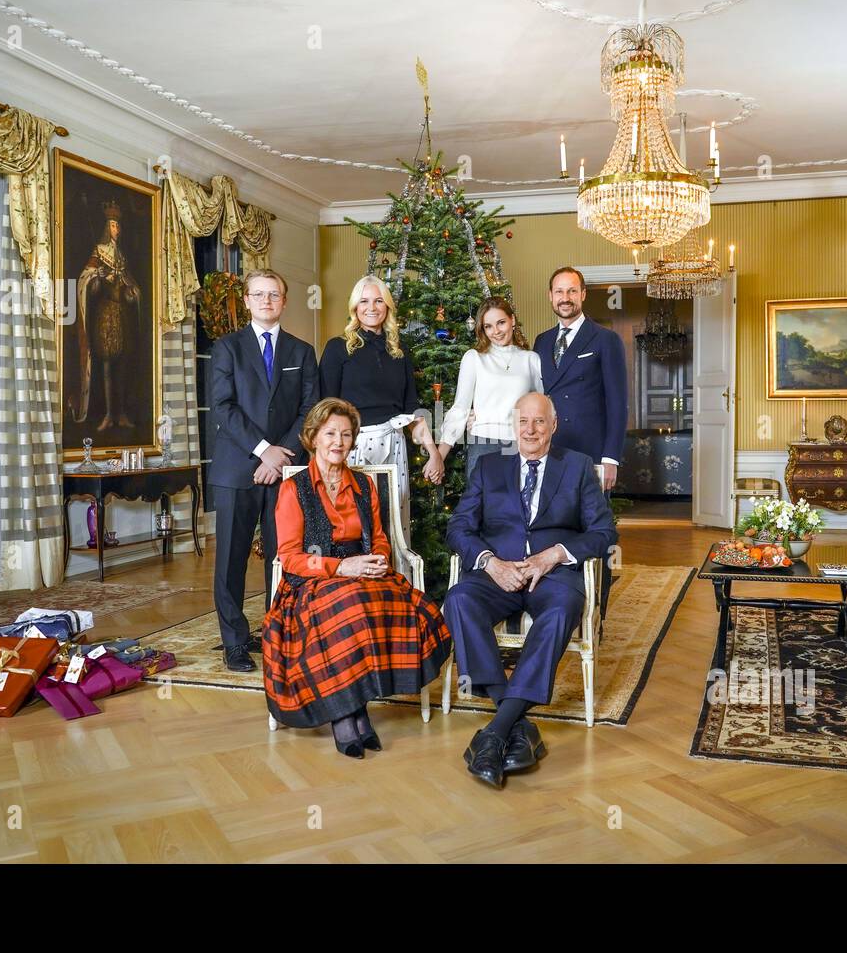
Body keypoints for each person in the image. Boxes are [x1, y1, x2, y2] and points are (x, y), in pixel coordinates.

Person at [262, 398, 453, 758]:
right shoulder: (294, 489)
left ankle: (352, 710)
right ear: (314, 437)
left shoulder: (364, 486)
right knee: (347, 606)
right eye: (330, 433)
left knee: (403, 606)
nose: (339, 441)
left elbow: (379, 537)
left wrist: (378, 559)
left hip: (362, 570)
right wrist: (339, 568)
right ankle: (350, 717)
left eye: (346, 434)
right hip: (312, 580)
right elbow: (290, 558)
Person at [443, 392, 616, 788]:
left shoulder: (576, 467)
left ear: (553, 426)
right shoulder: (489, 468)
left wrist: (554, 554)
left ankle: (495, 734)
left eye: (540, 422)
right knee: (459, 599)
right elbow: (459, 528)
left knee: (560, 610)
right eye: (524, 421)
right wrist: (490, 562)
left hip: (551, 575)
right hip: (497, 573)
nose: (531, 429)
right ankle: (515, 725)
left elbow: (604, 532)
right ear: (513, 425)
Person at [207, 269, 318, 673]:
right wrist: (263, 451)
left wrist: (282, 455)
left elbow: (310, 410)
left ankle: (278, 631)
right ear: (248, 300)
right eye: (258, 294)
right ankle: (235, 642)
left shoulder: (302, 352)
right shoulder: (227, 348)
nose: (266, 300)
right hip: (238, 467)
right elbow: (223, 408)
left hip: (287, 470)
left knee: (283, 555)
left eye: (274, 294)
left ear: (284, 301)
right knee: (231, 560)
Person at [319, 275, 444, 539]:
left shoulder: (399, 350)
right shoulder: (338, 348)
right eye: (364, 301)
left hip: (394, 446)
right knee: (352, 524)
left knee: (392, 523)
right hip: (351, 447)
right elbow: (326, 410)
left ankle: (393, 578)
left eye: (378, 300)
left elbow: (412, 410)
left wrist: (433, 453)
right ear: (355, 307)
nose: (371, 307)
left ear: (387, 306)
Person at [532, 267, 628, 491]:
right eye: (559, 292)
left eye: (572, 291)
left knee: (591, 521)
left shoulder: (606, 339)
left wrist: (611, 458)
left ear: (583, 294)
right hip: (548, 447)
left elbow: (618, 404)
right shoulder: (542, 341)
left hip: (590, 451)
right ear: (551, 296)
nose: (565, 298)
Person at [437, 297, 543, 478]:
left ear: (513, 320)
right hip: (482, 444)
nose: (496, 331)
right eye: (488, 326)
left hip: (520, 445)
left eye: (501, 322)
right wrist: (439, 456)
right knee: (482, 505)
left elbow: (542, 406)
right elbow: (460, 409)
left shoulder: (531, 359)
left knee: (521, 505)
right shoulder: (474, 358)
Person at [72, 200, 142, 431]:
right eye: (113, 226)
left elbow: (130, 288)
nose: (117, 230)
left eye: (118, 226)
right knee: (106, 364)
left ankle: (120, 413)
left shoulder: (121, 256)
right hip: (104, 315)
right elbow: (86, 282)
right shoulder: (99, 251)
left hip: (121, 315)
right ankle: (108, 414)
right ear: (107, 228)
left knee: (121, 364)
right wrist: (98, 278)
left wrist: (131, 292)